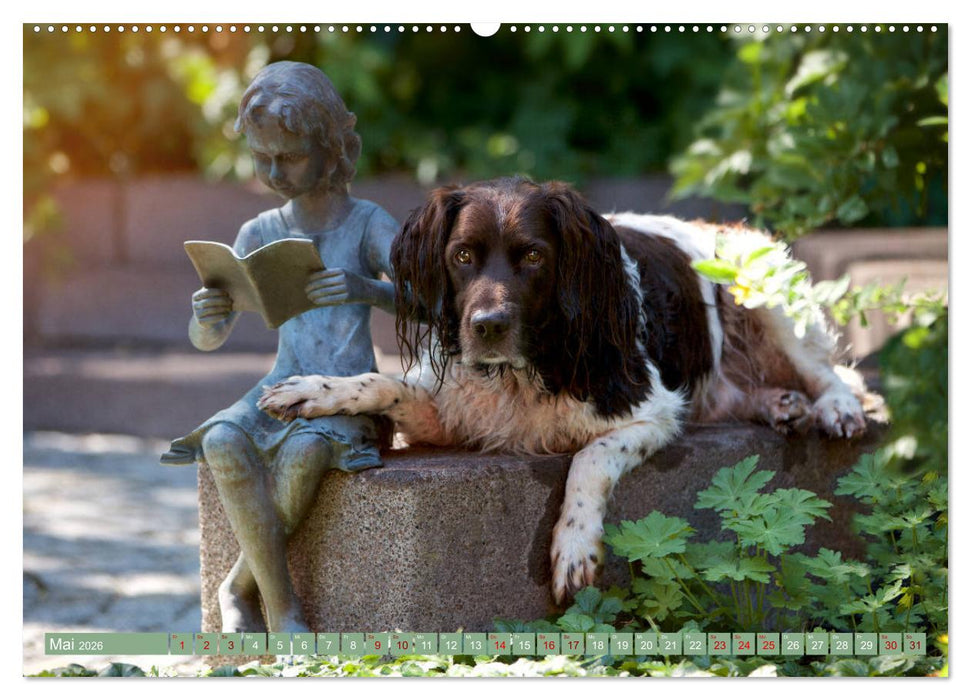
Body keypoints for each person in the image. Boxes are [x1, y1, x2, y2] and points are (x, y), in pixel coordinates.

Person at [161, 61, 398, 632]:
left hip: (345, 392)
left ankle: (246, 592)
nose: (274, 171)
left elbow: (432, 300)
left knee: (305, 451)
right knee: (221, 440)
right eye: (261, 157)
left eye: (289, 157)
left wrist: (368, 288)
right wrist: (207, 316)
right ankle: (275, 604)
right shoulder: (259, 232)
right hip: (281, 383)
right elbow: (207, 340)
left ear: (332, 149)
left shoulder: (367, 223)